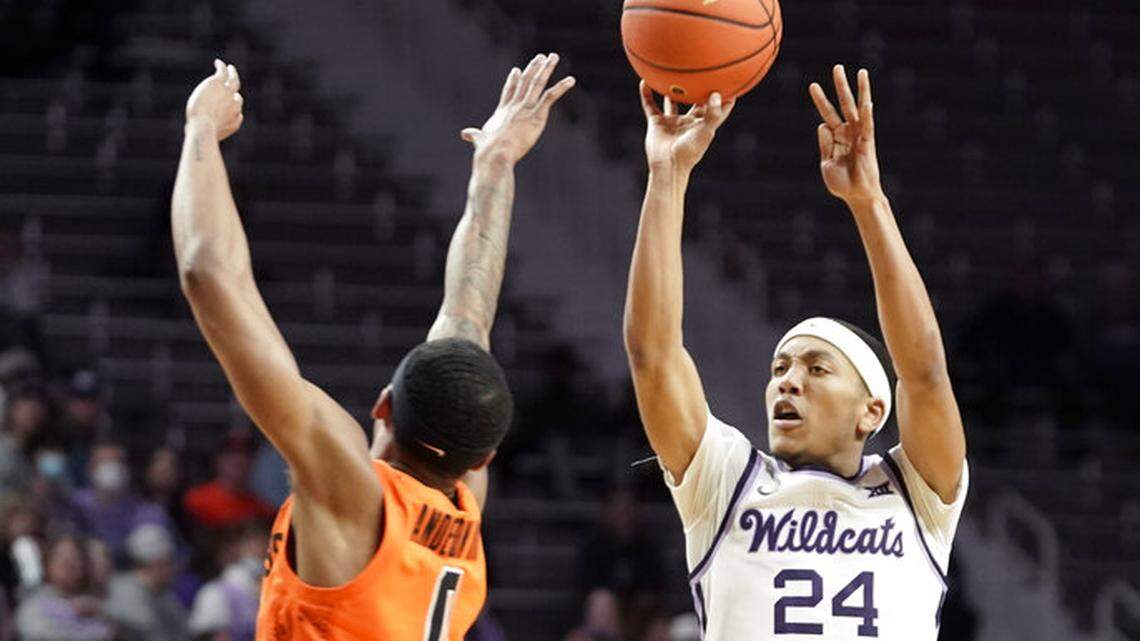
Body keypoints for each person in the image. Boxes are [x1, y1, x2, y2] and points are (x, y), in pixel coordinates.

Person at [172, 55, 574, 640]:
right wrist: (494, 165)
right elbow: (467, 314)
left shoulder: (351, 490)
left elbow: (208, 273)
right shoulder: (464, 505)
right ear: (483, 458)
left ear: (384, 403)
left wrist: (201, 128)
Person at [622, 66, 968, 639]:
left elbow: (925, 373)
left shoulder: (920, 494)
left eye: (816, 368)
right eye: (780, 368)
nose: (787, 381)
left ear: (872, 412)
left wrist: (869, 202)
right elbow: (652, 354)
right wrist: (668, 174)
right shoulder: (726, 481)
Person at [74, 442, 172, 559]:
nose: (110, 468)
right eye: (103, 462)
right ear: (90, 468)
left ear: (127, 469)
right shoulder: (74, 504)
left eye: (117, 462)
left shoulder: (150, 512)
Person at [14, 535, 115, 641]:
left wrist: (101, 613)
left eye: (75, 558)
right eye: (61, 557)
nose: (68, 564)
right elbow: (40, 634)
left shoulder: (97, 604)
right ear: (48, 563)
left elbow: (114, 632)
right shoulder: (33, 605)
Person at [104, 524, 188, 641]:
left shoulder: (167, 598)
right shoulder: (122, 590)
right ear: (156, 563)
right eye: (169, 562)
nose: (174, 568)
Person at [187, 521, 267, 641]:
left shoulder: (275, 582)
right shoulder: (216, 591)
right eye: (250, 541)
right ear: (237, 547)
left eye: (263, 541)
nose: (259, 547)